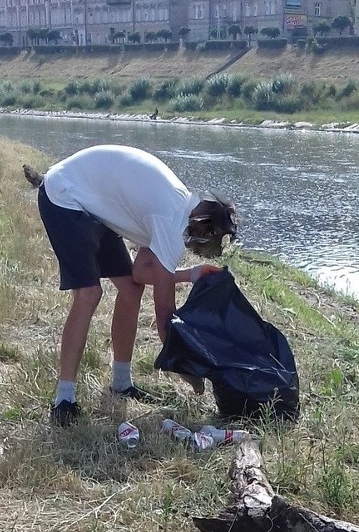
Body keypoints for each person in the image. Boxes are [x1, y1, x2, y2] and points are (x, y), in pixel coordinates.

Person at [24, 144, 238, 426]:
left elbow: (140, 273)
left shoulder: (179, 205)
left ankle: (121, 383)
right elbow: (165, 317)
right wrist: (187, 368)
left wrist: (192, 274)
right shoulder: (170, 223)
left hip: (93, 198)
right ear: (202, 228)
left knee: (129, 287)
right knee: (89, 294)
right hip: (65, 195)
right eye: (211, 240)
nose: (208, 246)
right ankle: (64, 400)